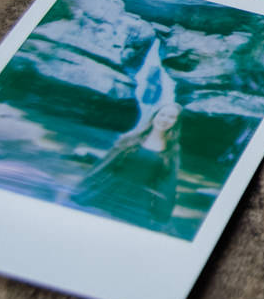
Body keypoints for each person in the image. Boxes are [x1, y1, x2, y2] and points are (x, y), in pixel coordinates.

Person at [73, 96, 183, 232]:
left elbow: (168, 184)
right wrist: (82, 186)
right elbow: (105, 165)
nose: (165, 119)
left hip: (138, 203)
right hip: (109, 193)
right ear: (155, 116)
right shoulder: (131, 138)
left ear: (176, 122)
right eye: (162, 114)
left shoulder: (172, 150)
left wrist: (162, 214)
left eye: (171, 117)